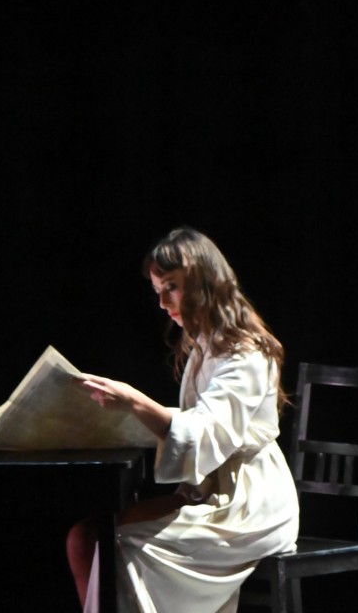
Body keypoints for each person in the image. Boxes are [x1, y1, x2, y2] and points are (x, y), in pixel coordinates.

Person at [66, 227, 299, 613]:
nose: (161, 302)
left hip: (249, 504)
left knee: (119, 546)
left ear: (205, 282)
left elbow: (207, 430)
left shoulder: (246, 353)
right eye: (157, 289)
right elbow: (197, 422)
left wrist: (135, 401)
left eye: (170, 287)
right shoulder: (205, 345)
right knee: (85, 536)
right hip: (209, 492)